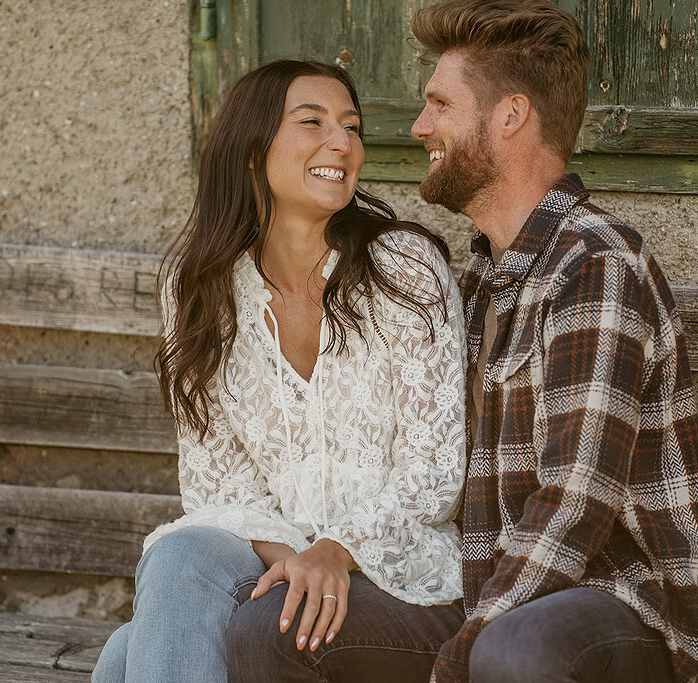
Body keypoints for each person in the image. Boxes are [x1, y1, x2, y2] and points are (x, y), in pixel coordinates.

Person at [91, 59, 468, 683]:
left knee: (122, 659)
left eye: (351, 126)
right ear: (250, 150)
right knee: (184, 553)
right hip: (276, 563)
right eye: (311, 122)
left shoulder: (402, 270)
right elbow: (217, 490)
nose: (342, 142)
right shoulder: (201, 287)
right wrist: (292, 559)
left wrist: (335, 550)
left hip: (399, 574)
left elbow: (434, 473)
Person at [409, 1, 698, 681]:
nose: (418, 126)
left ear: (509, 115)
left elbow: (575, 502)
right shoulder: (479, 278)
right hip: (486, 591)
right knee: (280, 626)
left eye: (438, 105)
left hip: (607, 608)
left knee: (512, 650)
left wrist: (459, 651)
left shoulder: (594, 262)